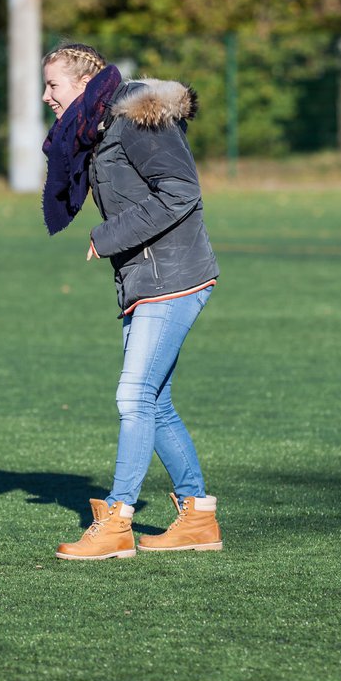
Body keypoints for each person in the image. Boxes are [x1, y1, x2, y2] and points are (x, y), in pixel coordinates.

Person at [40, 42, 222, 560]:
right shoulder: (99, 127)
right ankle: (198, 518)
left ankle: (118, 522)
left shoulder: (136, 118)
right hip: (145, 280)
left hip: (174, 276)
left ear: (81, 82)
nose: (46, 96)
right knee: (155, 403)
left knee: (133, 396)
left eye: (53, 84)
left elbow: (181, 191)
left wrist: (110, 234)